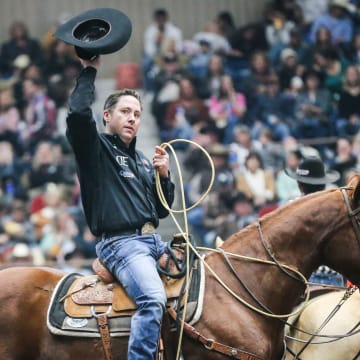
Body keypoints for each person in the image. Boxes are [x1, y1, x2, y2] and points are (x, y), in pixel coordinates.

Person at [65, 55, 175, 360]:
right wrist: (90, 71)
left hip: (154, 241)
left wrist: (163, 177)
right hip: (122, 245)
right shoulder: (95, 148)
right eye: (125, 112)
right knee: (153, 299)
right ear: (106, 116)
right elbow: (76, 114)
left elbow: (162, 211)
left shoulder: (141, 160)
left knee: (201, 282)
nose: (132, 119)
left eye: (137, 114)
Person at [285, 156, 345, 286]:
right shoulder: (338, 208)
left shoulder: (290, 209)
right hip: (335, 277)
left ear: (299, 185)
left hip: (302, 277)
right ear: (323, 184)